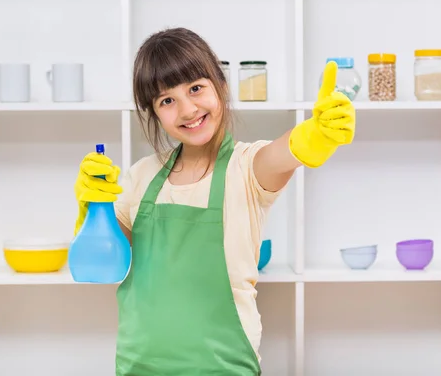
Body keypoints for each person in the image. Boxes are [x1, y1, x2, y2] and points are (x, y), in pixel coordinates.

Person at [72, 27, 355, 375]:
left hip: (224, 368)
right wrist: (94, 207)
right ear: (154, 113)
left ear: (220, 85)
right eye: (167, 100)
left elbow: (283, 153)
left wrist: (315, 135)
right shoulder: (139, 178)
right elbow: (105, 266)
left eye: (195, 88)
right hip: (140, 367)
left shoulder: (247, 167)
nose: (188, 109)